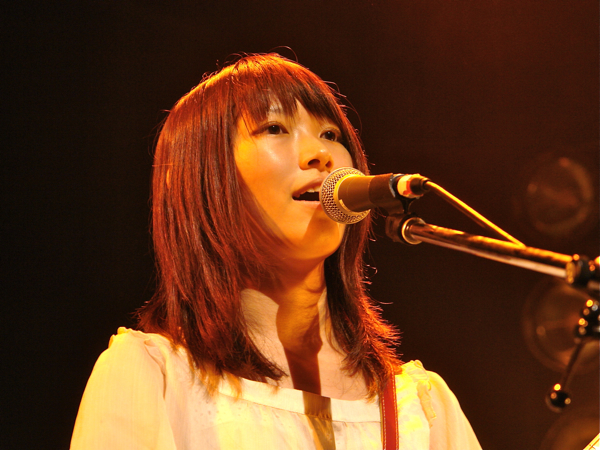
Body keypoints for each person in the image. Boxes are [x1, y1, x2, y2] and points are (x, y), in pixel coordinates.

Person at [70, 53, 481, 449]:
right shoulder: (156, 380)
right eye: (275, 128)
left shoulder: (420, 409)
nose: (321, 154)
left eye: (330, 135)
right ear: (204, 177)